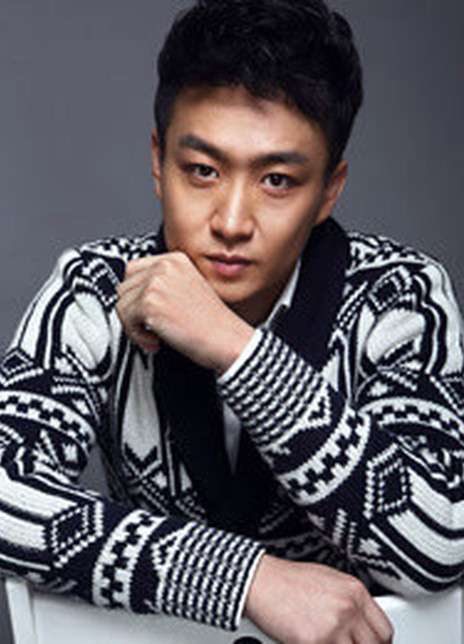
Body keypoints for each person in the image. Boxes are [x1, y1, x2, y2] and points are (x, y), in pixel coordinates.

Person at [0, 0, 463, 641]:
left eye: (278, 180)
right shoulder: (93, 290)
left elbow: (439, 539)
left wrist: (234, 348)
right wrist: (243, 579)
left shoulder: (399, 296)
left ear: (329, 189)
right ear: (158, 162)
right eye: (202, 171)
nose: (232, 222)